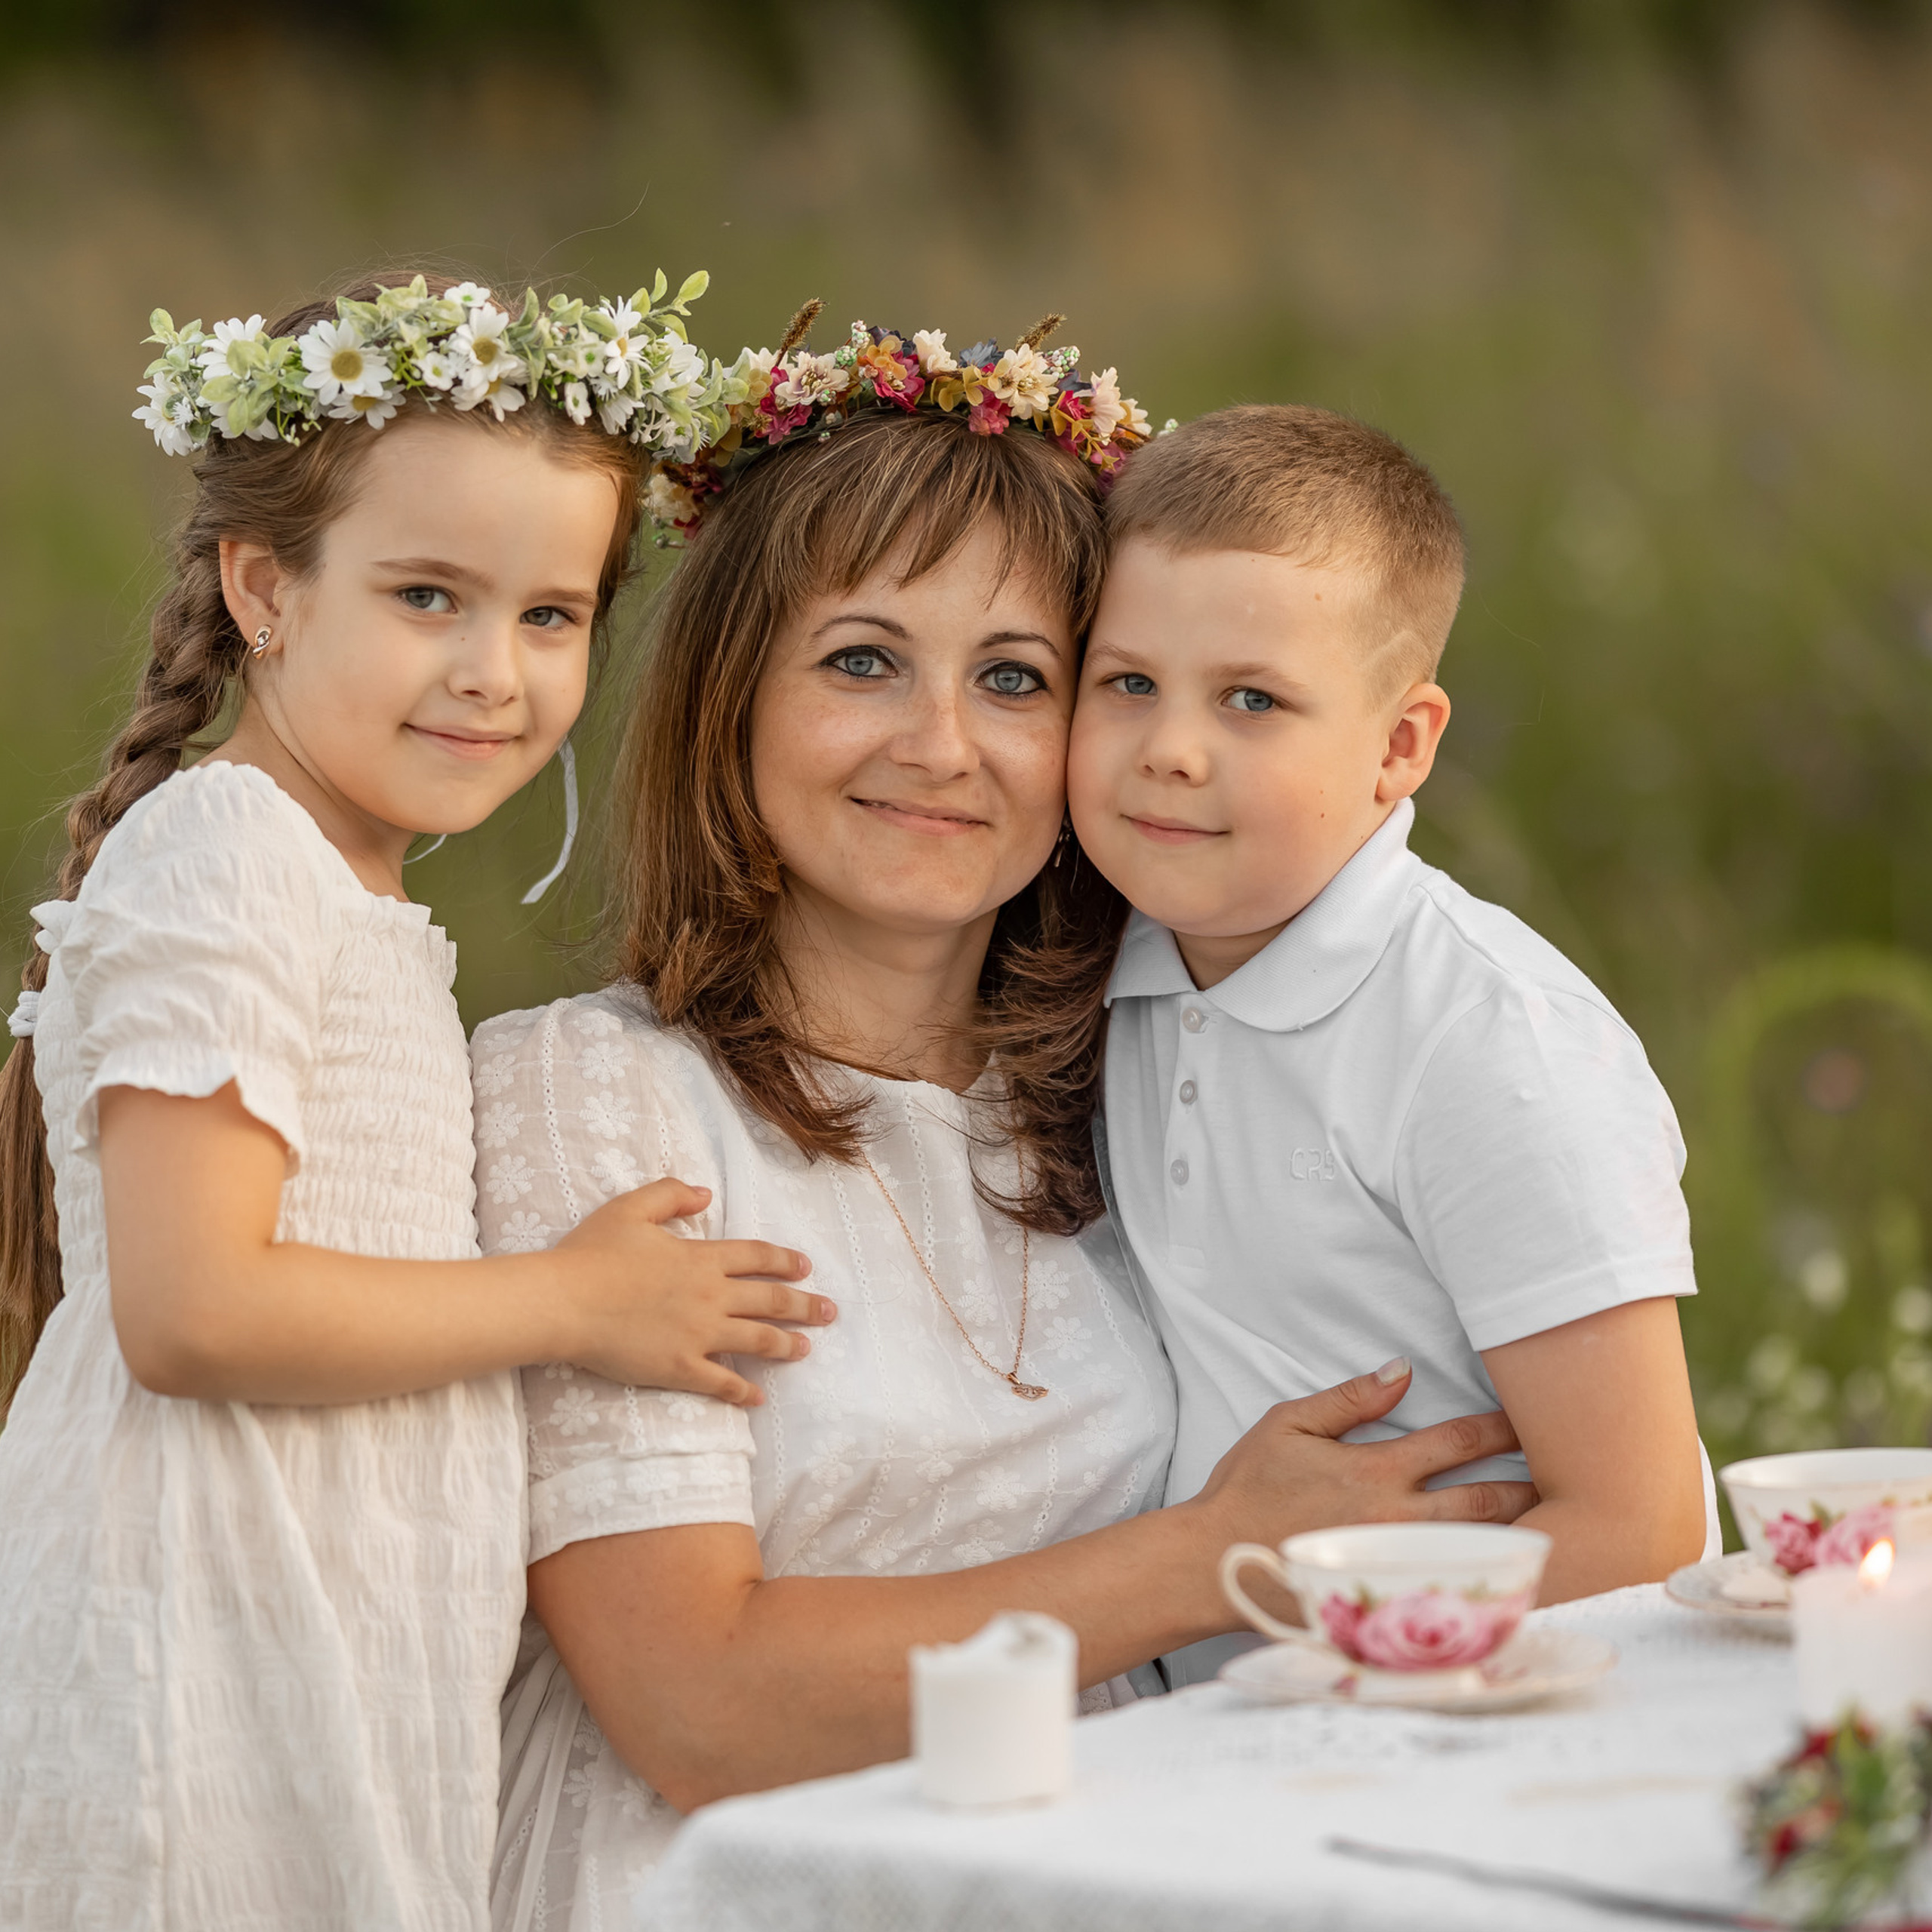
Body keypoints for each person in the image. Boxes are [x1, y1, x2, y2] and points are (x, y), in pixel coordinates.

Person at [475, 325, 1534, 1932]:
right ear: (728, 694)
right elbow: (696, 1702)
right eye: (861, 660)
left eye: (1016, 679)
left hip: (1106, 1865)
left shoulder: (1124, 1087)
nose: (941, 745)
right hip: (747, 1886)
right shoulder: (597, 1096)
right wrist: (1216, 1554)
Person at [0, 272, 831, 1930]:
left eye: (550, 616)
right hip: (198, 1650)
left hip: (318, 1641)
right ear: (265, 587)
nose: (491, 672)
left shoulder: (338, 888)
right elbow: (193, 1307)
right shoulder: (228, 849)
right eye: (428, 596)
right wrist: (573, 1301)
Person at [1066, 403, 1715, 1690]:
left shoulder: (1487, 1043)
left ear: (1399, 747)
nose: (1171, 752)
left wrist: (1324, 1689)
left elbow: (1640, 1527)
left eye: (1253, 700)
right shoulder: (1103, 966)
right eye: (1127, 683)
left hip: (1474, 1719)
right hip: (1200, 1732)